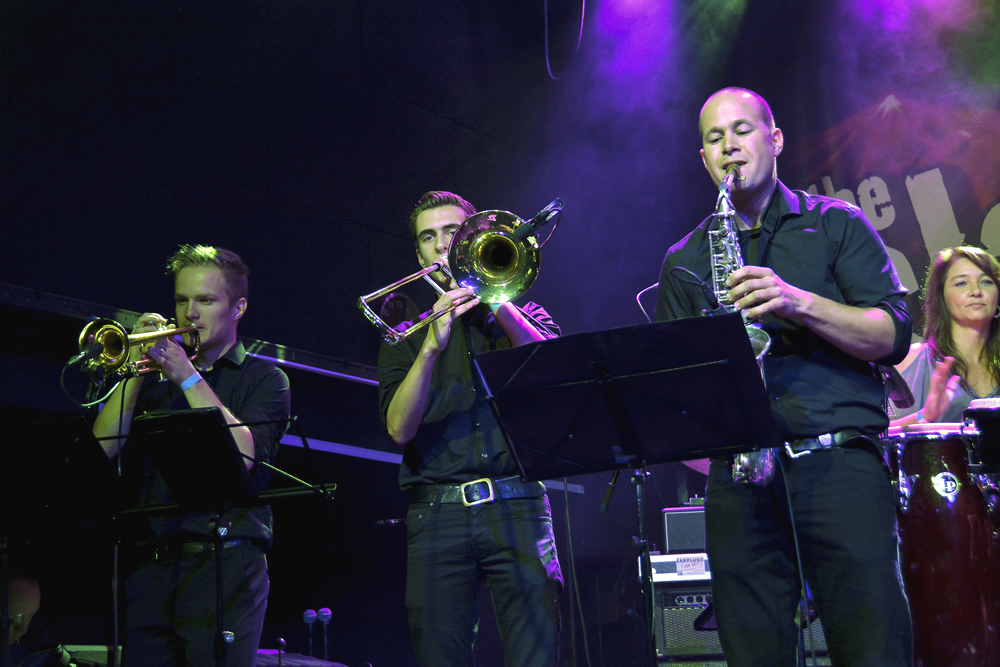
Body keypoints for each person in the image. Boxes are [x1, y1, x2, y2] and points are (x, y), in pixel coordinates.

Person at [654, 88, 913, 665]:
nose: (730, 148)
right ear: (704, 159)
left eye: (742, 132)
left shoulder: (835, 224)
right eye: (715, 139)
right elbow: (675, 389)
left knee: (872, 644)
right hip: (741, 480)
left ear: (773, 141)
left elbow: (892, 333)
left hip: (838, 464)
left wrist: (797, 302)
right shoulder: (687, 259)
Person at [376, 191, 563, 667]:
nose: (440, 246)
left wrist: (496, 298)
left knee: (534, 657)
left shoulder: (522, 315)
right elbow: (399, 429)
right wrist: (430, 348)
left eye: (451, 234)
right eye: (428, 238)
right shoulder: (405, 338)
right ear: (417, 256)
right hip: (437, 515)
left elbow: (554, 375)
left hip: (518, 504)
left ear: (474, 238)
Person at [92, 245, 290, 667]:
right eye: (181, 300)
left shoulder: (266, 378)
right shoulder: (153, 379)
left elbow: (245, 455)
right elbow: (101, 450)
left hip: (225, 564)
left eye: (205, 300)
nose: (189, 313)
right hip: (152, 567)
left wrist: (187, 375)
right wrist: (132, 372)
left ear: (238, 307)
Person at [891, 246, 1000, 424]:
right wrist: (924, 416)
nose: (976, 291)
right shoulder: (911, 360)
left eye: (986, 281)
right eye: (961, 283)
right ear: (942, 298)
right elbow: (872, 437)